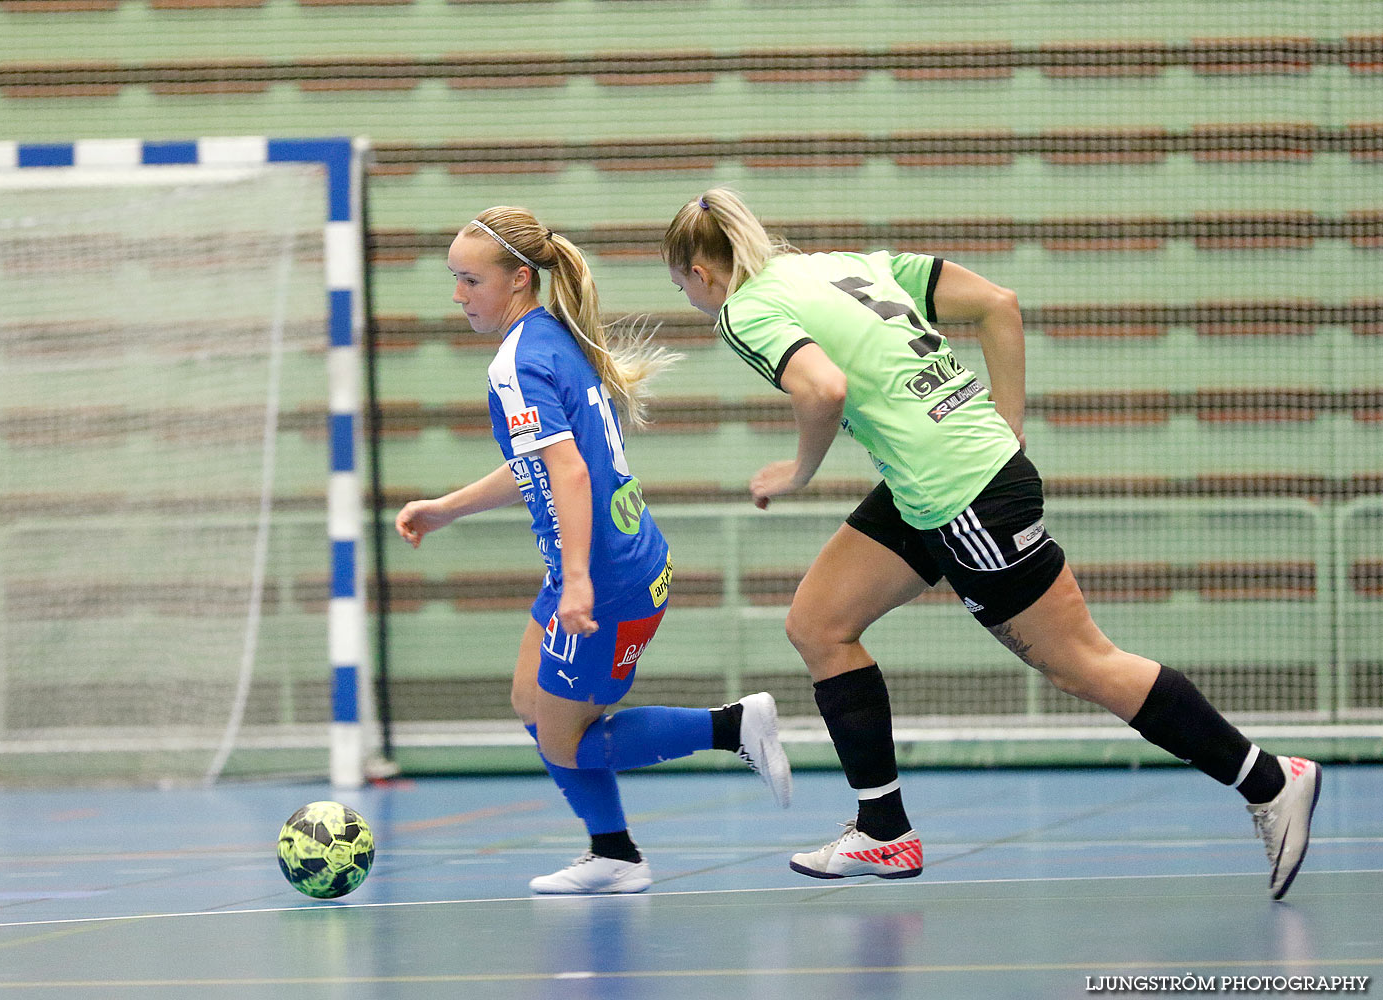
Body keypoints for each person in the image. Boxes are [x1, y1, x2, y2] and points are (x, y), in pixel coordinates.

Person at [660, 188, 1321, 900]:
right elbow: (998, 303)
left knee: (1082, 663)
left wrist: (797, 473)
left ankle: (1268, 779)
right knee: (820, 624)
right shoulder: (847, 265)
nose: (695, 304)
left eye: (684, 291)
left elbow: (821, 388)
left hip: (961, 494)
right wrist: (1008, 425)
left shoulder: (745, 309)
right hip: (934, 482)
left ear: (702, 273)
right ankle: (885, 832)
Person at [395, 206, 792, 894]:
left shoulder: (518, 361)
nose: (458, 295)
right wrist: (446, 508)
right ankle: (612, 851)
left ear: (519, 280)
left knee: (564, 741)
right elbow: (543, 467)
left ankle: (731, 728)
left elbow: (570, 473)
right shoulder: (554, 337)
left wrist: (577, 581)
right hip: (600, 566)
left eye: (469, 280)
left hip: (604, 580)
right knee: (530, 698)